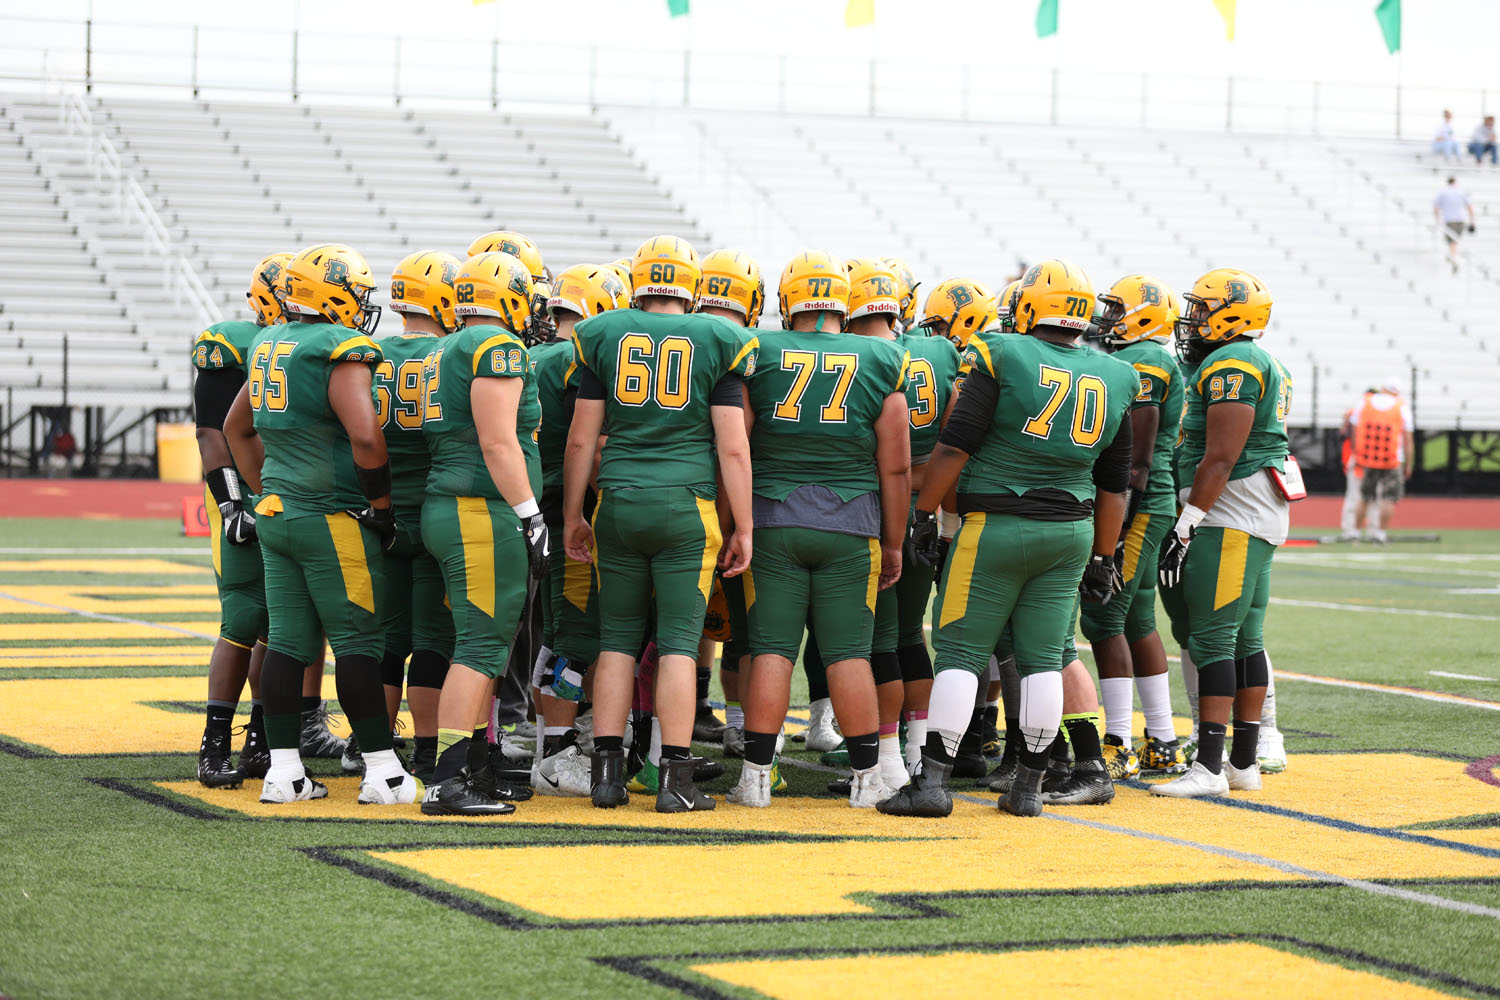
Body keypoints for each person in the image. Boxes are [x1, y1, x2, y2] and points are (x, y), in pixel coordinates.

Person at [882, 258, 1136, 818]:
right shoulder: (1117, 374)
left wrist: (924, 514)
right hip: (1072, 531)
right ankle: (1027, 789)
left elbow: (955, 445)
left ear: (1028, 306)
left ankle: (930, 784)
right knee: (1045, 658)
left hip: (997, 524)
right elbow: (1116, 482)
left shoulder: (1002, 352)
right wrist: (1103, 554)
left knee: (959, 653)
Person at [563, 235, 758, 814]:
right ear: (691, 284)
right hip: (686, 506)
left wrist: (575, 513)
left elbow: (581, 440)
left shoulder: (604, 335)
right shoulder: (719, 338)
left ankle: (606, 775)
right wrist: (743, 526)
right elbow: (733, 448)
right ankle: (673, 779)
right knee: (677, 645)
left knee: (617, 641)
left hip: (618, 502)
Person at [222, 243, 420, 806]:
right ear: (334, 294)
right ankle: (383, 771)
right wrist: (381, 508)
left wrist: (268, 489)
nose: (362, 305)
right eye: (356, 293)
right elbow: (365, 436)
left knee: (288, 642)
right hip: (329, 515)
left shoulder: (268, 341)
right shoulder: (340, 347)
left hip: (279, 514)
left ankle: (284, 772)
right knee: (358, 639)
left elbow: (237, 429)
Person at [727, 251, 910, 808]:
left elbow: (737, 444)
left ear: (788, 301)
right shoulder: (882, 356)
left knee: (772, 650)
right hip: (852, 524)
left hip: (773, 519)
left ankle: (756, 778)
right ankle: (866, 780)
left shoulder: (760, 351)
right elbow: (896, 465)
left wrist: (734, 521)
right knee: (849, 654)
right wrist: (895, 539)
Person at [416, 251, 549, 815]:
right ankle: (447, 779)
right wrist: (531, 513)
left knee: (484, 645)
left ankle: (469, 765)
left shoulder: (443, 346)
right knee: (478, 646)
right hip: (479, 509)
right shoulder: (494, 347)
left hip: (456, 505)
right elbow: (498, 442)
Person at [1155, 268, 1292, 798]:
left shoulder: (1234, 362)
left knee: (1213, 637)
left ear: (1233, 312)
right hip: (1250, 508)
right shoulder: (1240, 359)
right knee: (1243, 639)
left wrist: (1188, 520)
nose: (1193, 318)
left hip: (1230, 509)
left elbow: (1221, 455)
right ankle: (1242, 763)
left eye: (1203, 308)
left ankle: (1210, 767)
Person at [1078, 274, 1189, 778]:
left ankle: (1118, 740)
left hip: (1140, 501)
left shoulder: (1146, 360)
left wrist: (1116, 530)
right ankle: (1162, 740)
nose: (1107, 318)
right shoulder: (1144, 358)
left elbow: (1137, 462)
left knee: (1103, 618)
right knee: (1137, 619)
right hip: (1148, 500)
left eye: (1117, 309)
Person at [528, 263, 626, 797]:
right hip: (568, 506)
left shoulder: (533, 356)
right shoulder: (575, 362)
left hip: (534, 506)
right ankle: (557, 753)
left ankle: (558, 736)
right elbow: (585, 447)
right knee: (574, 633)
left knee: (561, 627)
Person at [191, 252, 289, 787]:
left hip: (289, 491)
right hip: (243, 496)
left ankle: (260, 737)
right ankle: (214, 743)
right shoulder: (230, 344)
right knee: (245, 616)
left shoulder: (312, 348)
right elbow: (213, 433)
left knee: (284, 622)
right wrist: (232, 504)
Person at [374, 250, 461, 782]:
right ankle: (429, 753)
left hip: (380, 513)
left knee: (386, 640)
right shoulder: (451, 354)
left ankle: (378, 751)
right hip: (434, 509)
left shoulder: (371, 353)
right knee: (434, 638)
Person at [694, 248, 767, 761]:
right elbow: (738, 442)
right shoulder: (744, 345)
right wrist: (735, 523)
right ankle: (741, 728)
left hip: (643, 497)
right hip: (726, 502)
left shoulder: (675, 335)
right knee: (745, 630)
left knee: (647, 635)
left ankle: (638, 740)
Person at [1350, 375, 1415, 544]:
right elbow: (1408, 439)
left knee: (1364, 497)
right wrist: (1409, 463)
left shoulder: (1366, 402)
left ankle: (1356, 532)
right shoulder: (1401, 407)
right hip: (1392, 459)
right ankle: (1380, 533)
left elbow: (1355, 428)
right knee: (1388, 498)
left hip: (1368, 457)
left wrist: (1357, 453)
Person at [1433, 176, 1475, 272]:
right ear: (1455, 183)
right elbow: (1470, 207)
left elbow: (1436, 207)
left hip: (1449, 219)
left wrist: (1437, 219)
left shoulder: (1442, 192)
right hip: (1460, 219)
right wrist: (1472, 221)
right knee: (1454, 241)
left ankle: (1453, 258)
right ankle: (1451, 256)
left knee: (1452, 241)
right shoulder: (1461, 192)